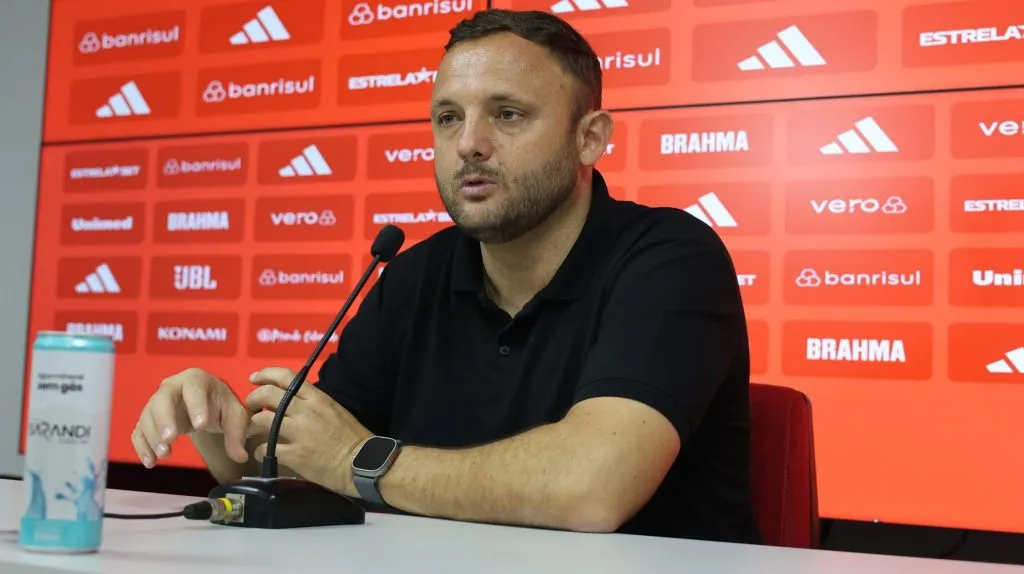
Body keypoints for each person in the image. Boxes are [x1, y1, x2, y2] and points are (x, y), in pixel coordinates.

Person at [130, 9, 763, 544]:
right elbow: (307, 472)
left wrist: (359, 460)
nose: (469, 144)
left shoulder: (671, 258)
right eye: (448, 118)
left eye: (508, 114)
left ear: (590, 138)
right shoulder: (412, 276)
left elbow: (590, 490)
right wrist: (222, 430)